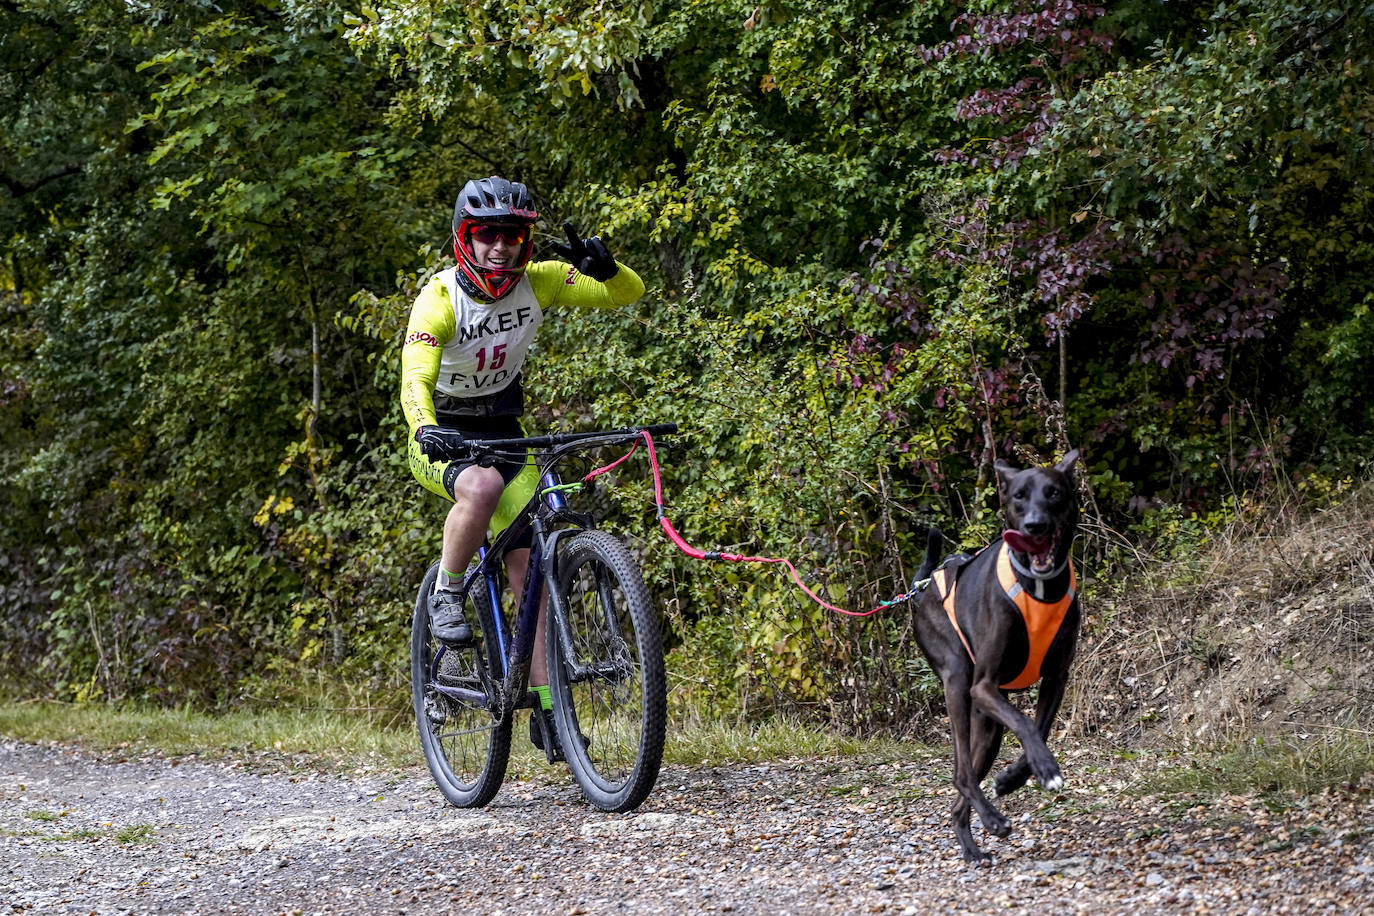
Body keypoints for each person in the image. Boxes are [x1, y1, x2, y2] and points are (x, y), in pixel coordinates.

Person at [401, 175, 645, 758]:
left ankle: (548, 708)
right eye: (487, 235)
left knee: (528, 565)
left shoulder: (539, 282)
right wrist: (424, 428)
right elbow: (414, 381)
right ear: (465, 238)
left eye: (512, 235)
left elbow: (626, 296)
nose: (501, 246)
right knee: (480, 487)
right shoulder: (439, 300)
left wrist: (608, 270)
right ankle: (448, 595)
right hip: (443, 435)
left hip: (507, 433)